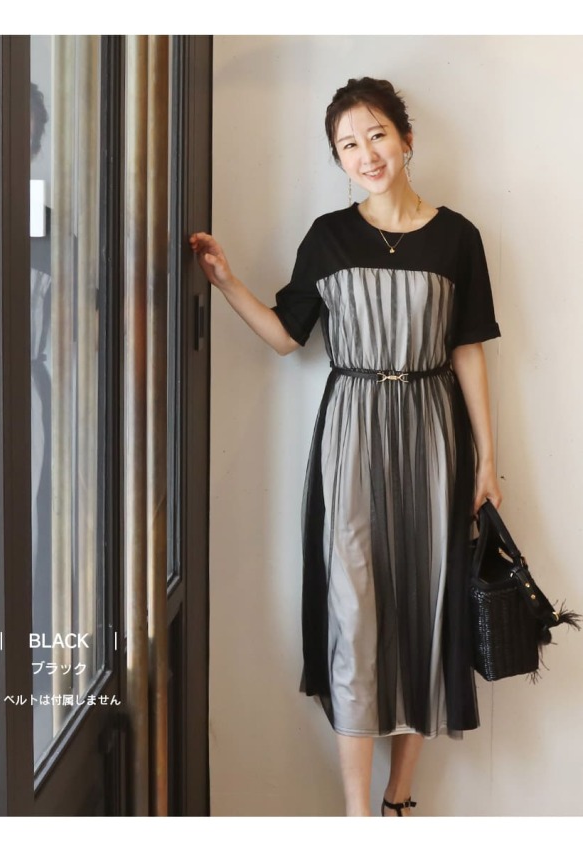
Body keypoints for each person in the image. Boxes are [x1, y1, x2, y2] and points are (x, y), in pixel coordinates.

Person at [190, 77, 502, 817]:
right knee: (354, 609)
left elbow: (467, 348)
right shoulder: (328, 236)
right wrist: (228, 283)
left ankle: (399, 798)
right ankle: (357, 814)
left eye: (377, 135)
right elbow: (286, 336)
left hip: (434, 431)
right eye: (348, 145)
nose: (367, 154)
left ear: (407, 139)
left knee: (429, 601)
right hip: (352, 434)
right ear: (337, 159)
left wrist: (489, 459)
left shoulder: (459, 237)